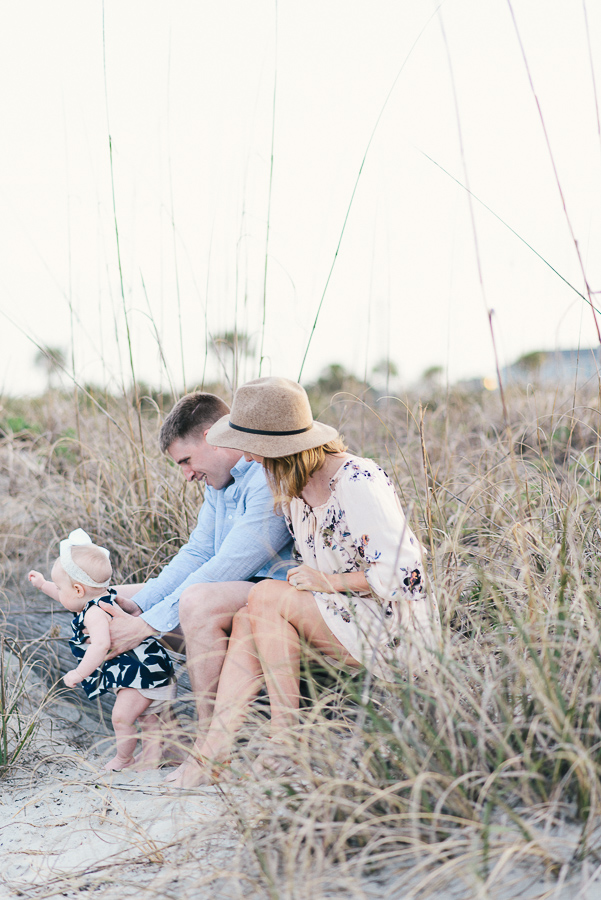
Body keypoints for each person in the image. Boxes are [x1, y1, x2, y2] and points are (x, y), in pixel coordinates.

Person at [166, 376, 441, 788]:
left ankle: (285, 741)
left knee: (266, 597)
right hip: (340, 618)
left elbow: (408, 577)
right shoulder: (293, 489)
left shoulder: (357, 480)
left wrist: (327, 582)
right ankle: (212, 752)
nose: (250, 460)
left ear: (278, 447)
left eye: (255, 451)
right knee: (248, 616)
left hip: (392, 630)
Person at [102, 391, 293, 743]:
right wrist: (141, 604)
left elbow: (229, 565)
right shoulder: (219, 482)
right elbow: (198, 552)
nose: (188, 475)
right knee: (109, 601)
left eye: (186, 460)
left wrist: (146, 624)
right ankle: (164, 738)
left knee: (196, 602)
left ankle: (212, 739)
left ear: (211, 438)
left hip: (273, 592)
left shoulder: (267, 476)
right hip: (232, 587)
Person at [28, 529, 176, 771]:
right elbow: (64, 594)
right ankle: (150, 758)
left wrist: (79, 673)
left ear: (78, 591)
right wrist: (44, 584)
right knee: (148, 718)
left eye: (60, 588)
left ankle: (124, 758)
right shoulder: (100, 597)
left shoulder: (95, 613)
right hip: (151, 668)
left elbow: (100, 646)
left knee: (121, 717)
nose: (58, 592)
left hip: (141, 674)